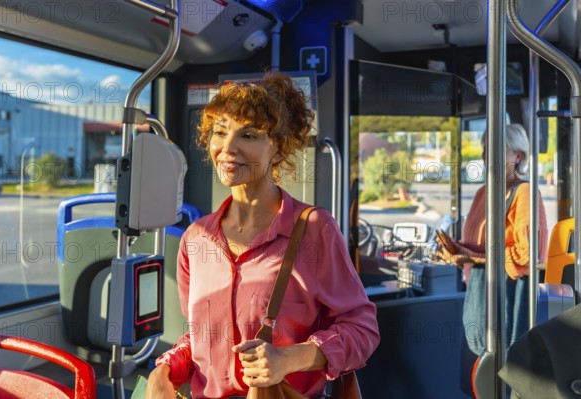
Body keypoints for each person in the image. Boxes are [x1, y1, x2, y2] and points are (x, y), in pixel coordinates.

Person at [146, 72, 380, 399]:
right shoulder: (195, 238)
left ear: (278, 147)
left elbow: (362, 330)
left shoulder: (313, 228)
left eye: (249, 135)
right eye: (220, 132)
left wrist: (289, 358)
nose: (228, 148)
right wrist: (166, 369)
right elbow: (199, 337)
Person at [435, 123, 548, 396]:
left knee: (501, 381)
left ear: (518, 156)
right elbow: (483, 249)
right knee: (472, 380)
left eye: (497, 148)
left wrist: (472, 255)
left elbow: (527, 254)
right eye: (486, 148)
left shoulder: (525, 193)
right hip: (478, 295)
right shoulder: (483, 193)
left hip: (509, 296)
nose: (487, 155)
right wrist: (458, 250)